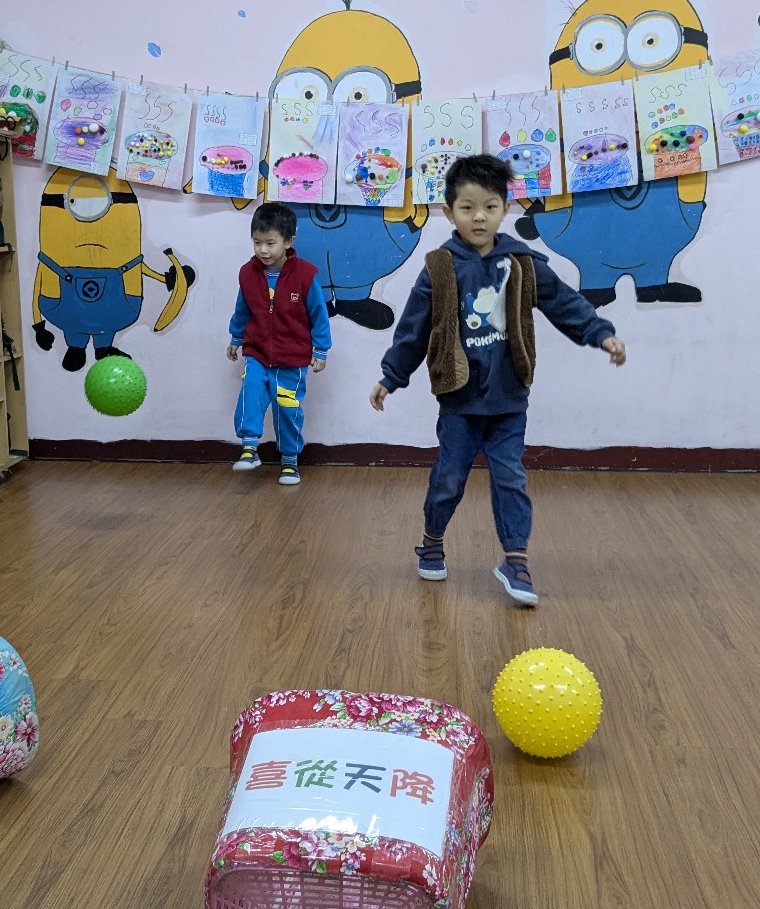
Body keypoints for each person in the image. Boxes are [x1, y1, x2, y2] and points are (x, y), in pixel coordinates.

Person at [369, 154, 626, 605]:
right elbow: (413, 328)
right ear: (448, 212)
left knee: (511, 478)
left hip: (509, 398)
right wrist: (391, 376)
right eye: (467, 208)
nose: (479, 217)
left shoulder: (522, 262)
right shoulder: (440, 267)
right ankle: (432, 541)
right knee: (449, 479)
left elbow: (564, 302)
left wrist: (600, 333)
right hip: (459, 399)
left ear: (505, 209)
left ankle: (516, 560)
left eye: (489, 207)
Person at [227, 202, 332, 486]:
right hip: (257, 352)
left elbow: (319, 315)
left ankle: (289, 461)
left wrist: (321, 350)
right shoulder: (247, 273)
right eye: (257, 242)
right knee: (251, 391)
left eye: (270, 243)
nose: (263, 250)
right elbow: (242, 309)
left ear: (288, 241)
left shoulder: (306, 275)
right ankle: (249, 446)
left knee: (287, 409)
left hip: (293, 359)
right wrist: (236, 338)